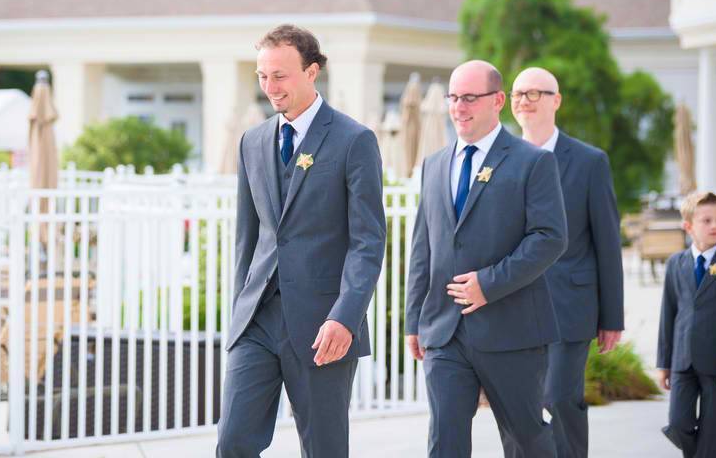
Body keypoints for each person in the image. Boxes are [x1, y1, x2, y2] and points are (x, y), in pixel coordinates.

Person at [216, 24, 386, 458]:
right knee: (232, 442)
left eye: (280, 75)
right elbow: (247, 238)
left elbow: (367, 242)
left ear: (312, 72)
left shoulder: (354, 140)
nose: (270, 87)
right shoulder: (252, 141)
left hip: (323, 324)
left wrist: (345, 317)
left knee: (324, 448)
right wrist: (240, 314)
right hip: (256, 321)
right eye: (262, 76)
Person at [405, 59, 567, 458]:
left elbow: (550, 238)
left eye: (470, 98)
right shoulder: (434, 164)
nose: (459, 107)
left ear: (497, 101)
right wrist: (414, 321)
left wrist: (488, 284)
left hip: (512, 330)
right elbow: (423, 248)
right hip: (444, 333)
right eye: (454, 97)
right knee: (444, 442)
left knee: (526, 439)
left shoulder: (533, 161)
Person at [511, 66, 624, 458]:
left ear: (556, 101)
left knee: (559, 399)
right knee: (518, 407)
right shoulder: (503, 158)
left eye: (534, 93)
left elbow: (608, 242)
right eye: (517, 94)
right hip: (514, 304)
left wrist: (612, 317)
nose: (524, 101)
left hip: (569, 307)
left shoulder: (590, 162)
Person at [657, 191, 716, 458]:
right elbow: (668, 313)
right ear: (689, 226)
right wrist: (664, 362)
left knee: (715, 430)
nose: (715, 226)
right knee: (678, 423)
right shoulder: (676, 263)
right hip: (682, 360)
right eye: (707, 220)